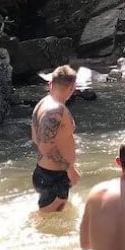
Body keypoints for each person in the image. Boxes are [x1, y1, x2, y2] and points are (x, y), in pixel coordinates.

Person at [31, 65, 81, 212]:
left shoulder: (43, 103)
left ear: (50, 84)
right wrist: (69, 168)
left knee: (53, 222)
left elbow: (36, 139)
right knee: (46, 225)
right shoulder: (55, 111)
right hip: (53, 177)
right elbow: (45, 146)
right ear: (72, 87)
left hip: (45, 173)